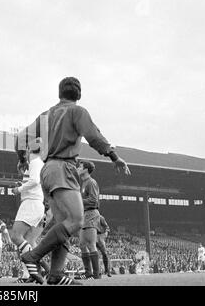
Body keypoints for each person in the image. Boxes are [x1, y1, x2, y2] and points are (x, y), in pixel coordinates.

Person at [16, 76, 131, 285]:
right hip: (64, 167)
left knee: (63, 225)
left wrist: (21, 159)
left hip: (47, 170)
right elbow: (93, 136)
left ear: (59, 93)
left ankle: (55, 275)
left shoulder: (46, 114)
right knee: (76, 221)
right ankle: (33, 256)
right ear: (79, 94)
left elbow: (20, 137)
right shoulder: (78, 111)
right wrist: (114, 157)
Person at [10, 138, 49, 283]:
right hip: (34, 202)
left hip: (31, 203)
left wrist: (18, 189)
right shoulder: (37, 163)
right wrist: (23, 185)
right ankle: (30, 274)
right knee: (27, 241)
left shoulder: (35, 162)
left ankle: (35, 272)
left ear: (29, 149)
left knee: (16, 236)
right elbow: (34, 182)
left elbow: (35, 181)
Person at [76, 160, 102, 280]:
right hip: (84, 214)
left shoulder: (91, 182)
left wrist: (79, 200)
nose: (78, 167)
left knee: (91, 244)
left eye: (80, 166)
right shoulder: (84, 183)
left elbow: (94, 200)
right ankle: (88, 273)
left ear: (86, 169)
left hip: (91, 213)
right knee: (82, 244)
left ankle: (96, 275)